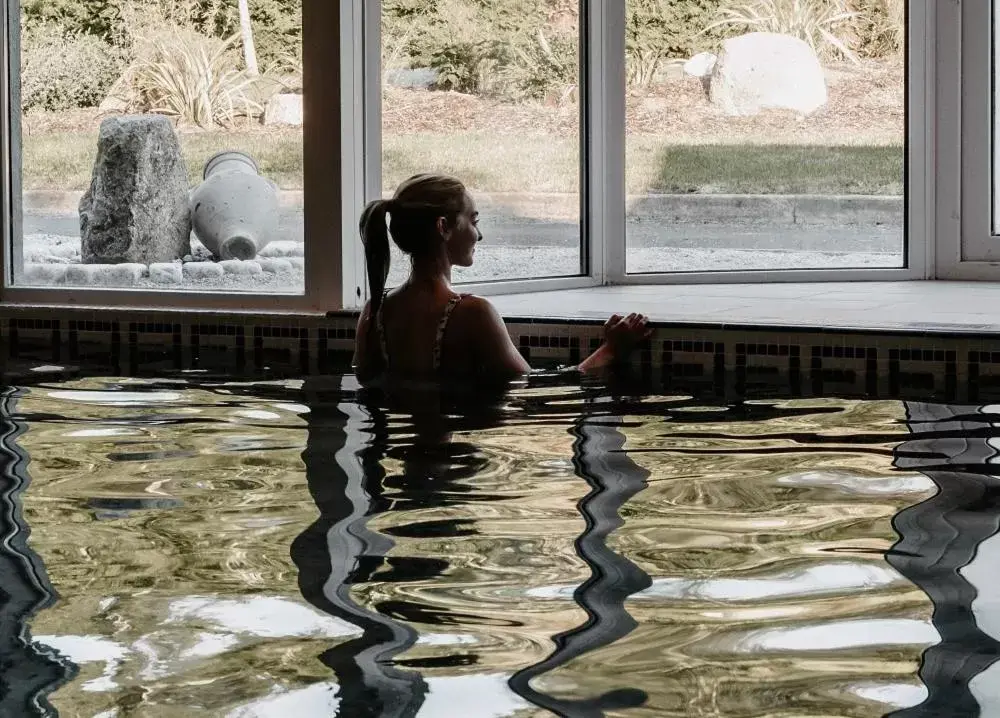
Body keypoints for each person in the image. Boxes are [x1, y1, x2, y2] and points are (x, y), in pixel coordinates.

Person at [352, 173, 650, 383]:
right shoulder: (471, 313)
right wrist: (612, 349)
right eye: (473, 220)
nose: (479, 234)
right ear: (443, 227)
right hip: (451, 463)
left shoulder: (374, 313)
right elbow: (532, 392)